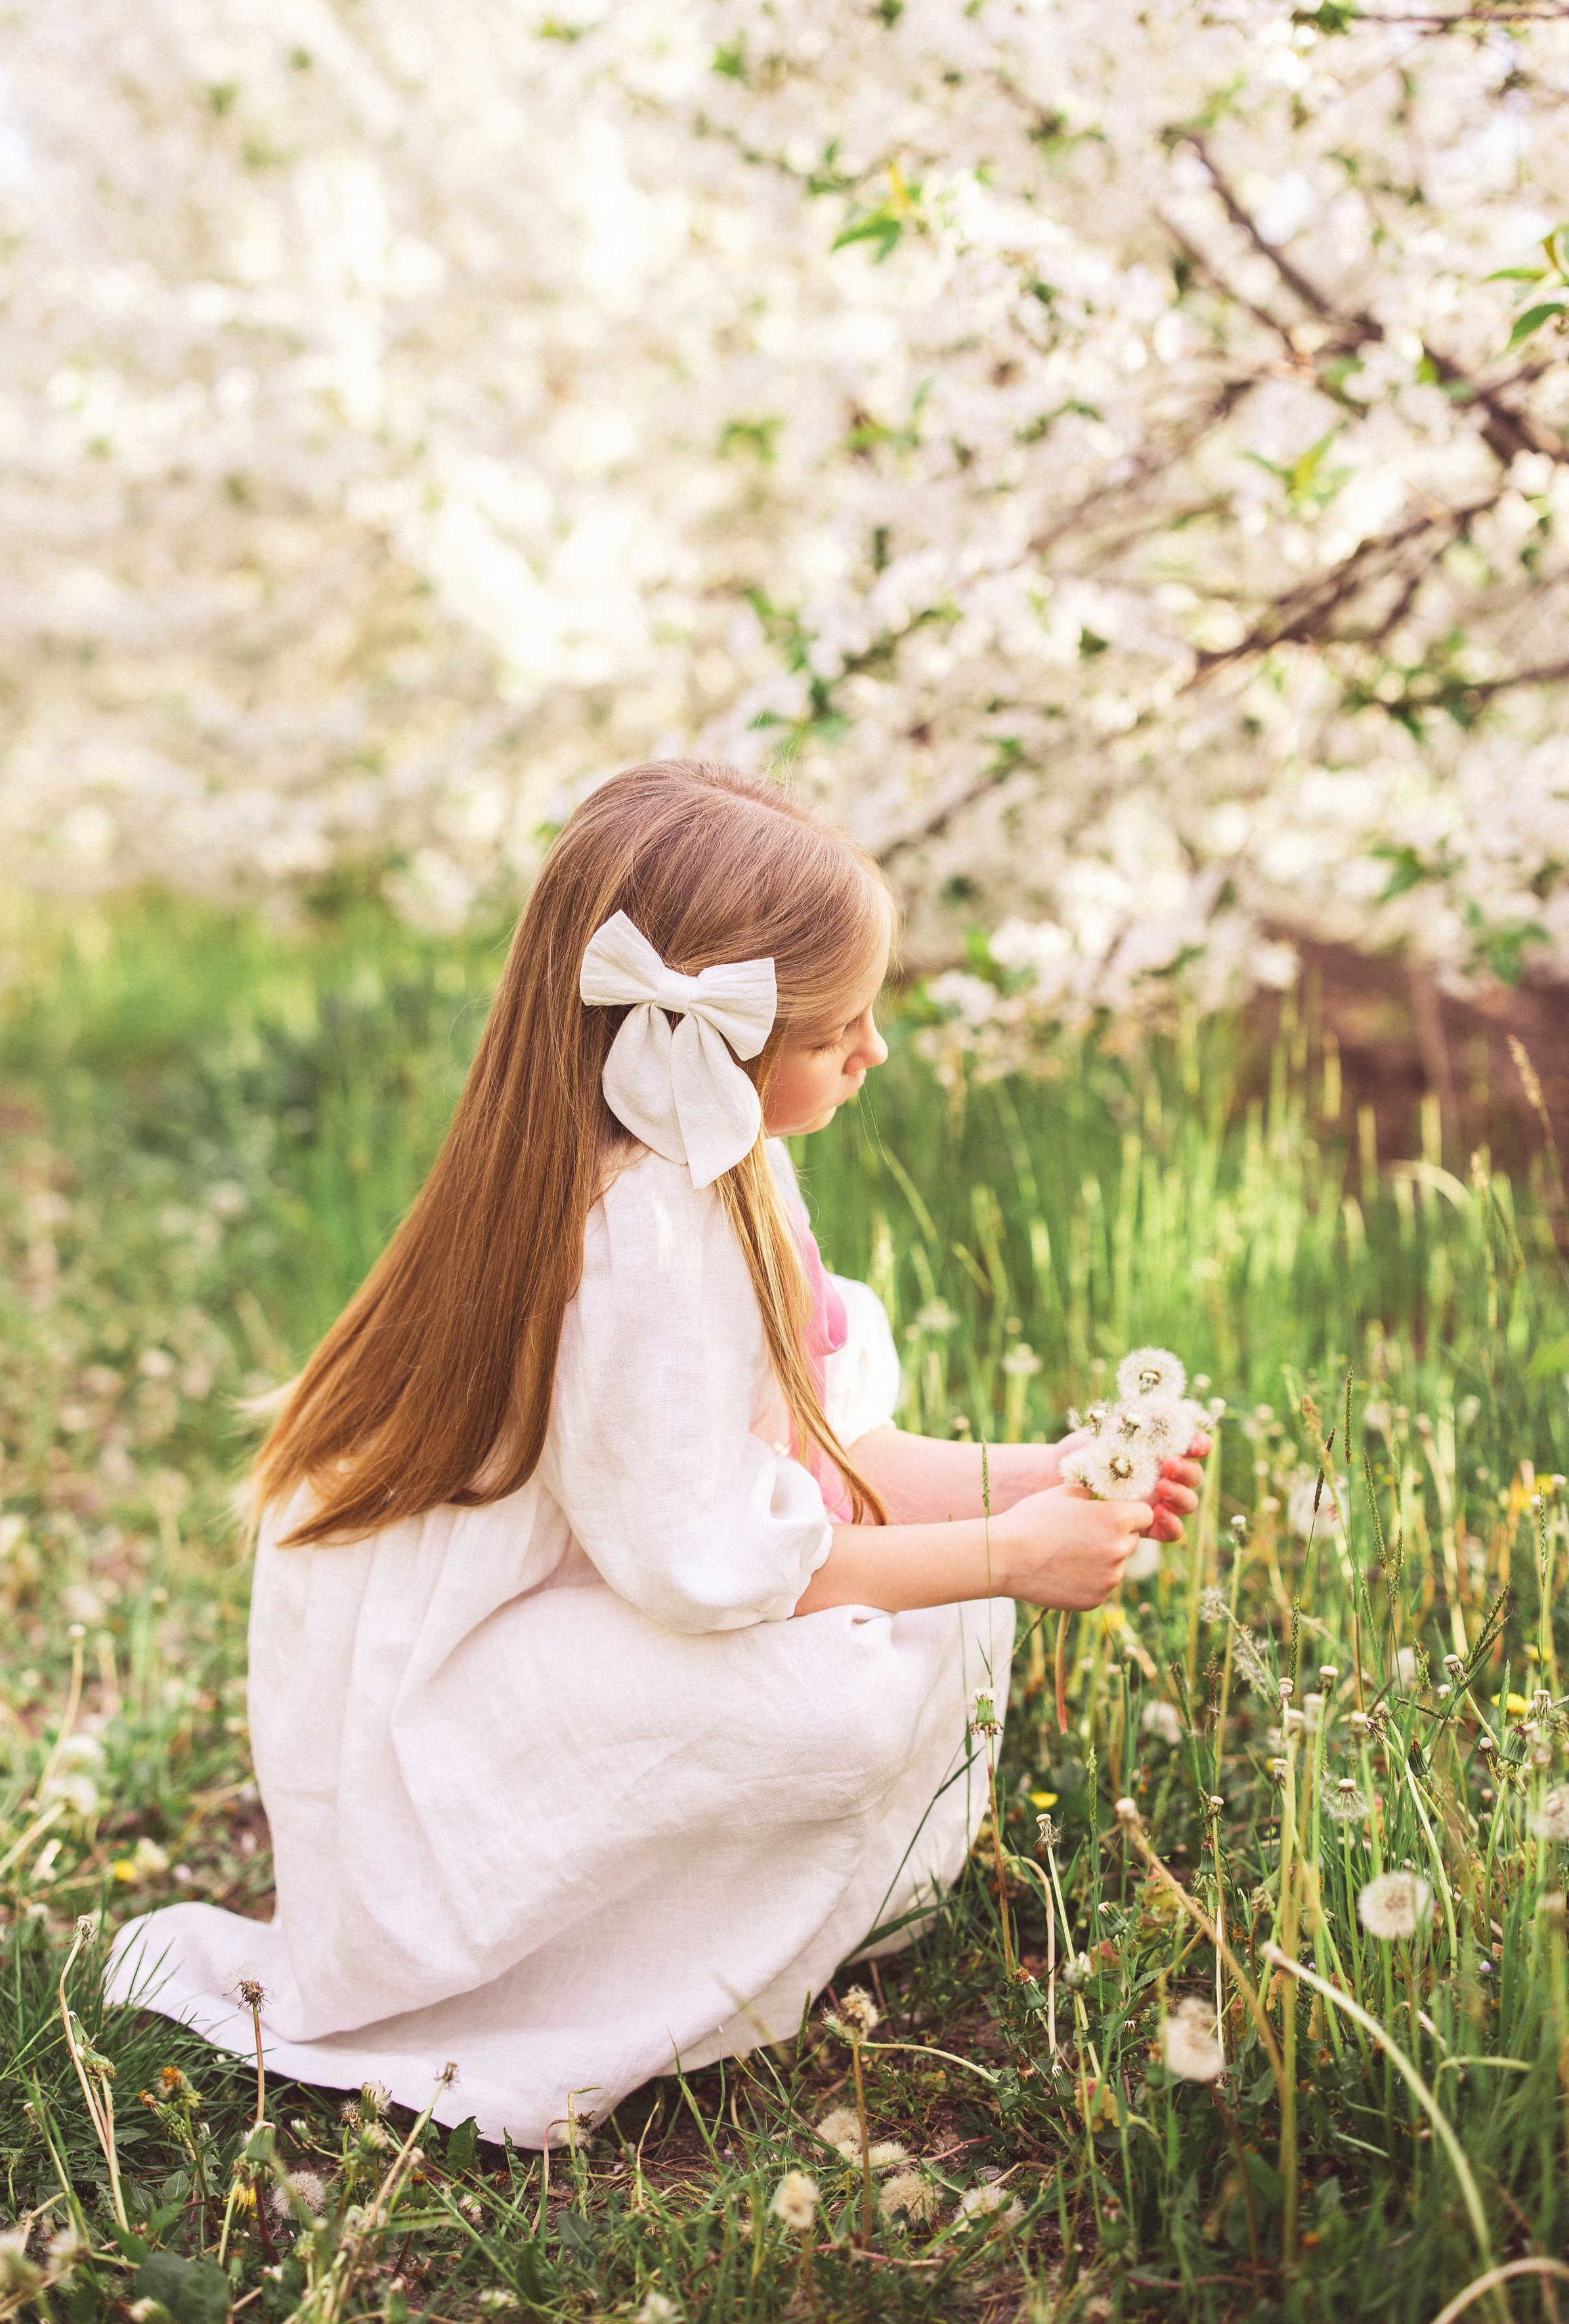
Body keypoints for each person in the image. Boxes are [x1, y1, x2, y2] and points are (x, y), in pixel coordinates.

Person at [107, 760, 1202, 2147]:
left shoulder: (724, 1153)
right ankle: (571, 1971)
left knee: (934, 1616)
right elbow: (710, 1569)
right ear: (710, 1039)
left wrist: (1047, 1476)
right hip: (441, 1702)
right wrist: (998, 1552)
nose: (874, 1052)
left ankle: (718, 1924)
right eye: (837, 1025)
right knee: (850, 1691)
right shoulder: (632, 1240)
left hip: (593, 1592)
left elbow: (827, 1455)